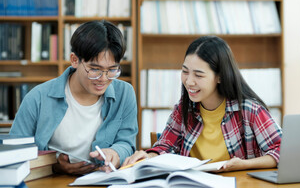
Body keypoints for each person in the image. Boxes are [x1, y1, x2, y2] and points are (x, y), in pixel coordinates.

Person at [123, 35, 282, 172]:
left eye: (198, 75)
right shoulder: (183, 108)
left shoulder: (249, 110)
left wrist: (245, 165)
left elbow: (282, 150)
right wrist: (149, 155)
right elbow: (165, 146)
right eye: (185, 71)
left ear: (220, 77)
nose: (189, 81)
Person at [10, 20, 138, 175]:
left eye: (112, 70)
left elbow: (126, 142)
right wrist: (53, 167)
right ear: (75, 60)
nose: (103, 79)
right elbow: (14, 154)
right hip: (50, 184)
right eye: (95, 69)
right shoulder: (37, 98)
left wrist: (116, 154)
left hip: (103, 182)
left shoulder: (125, 94)